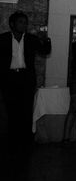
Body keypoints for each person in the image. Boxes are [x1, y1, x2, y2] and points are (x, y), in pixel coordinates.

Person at [0, 11, 51, 146]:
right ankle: (12, 140)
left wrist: (46, 39)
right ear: (12, 24)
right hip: (9, 78)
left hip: (26, 78)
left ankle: (26, 141)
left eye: (25, 23)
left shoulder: (31, 39)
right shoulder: (3, 39)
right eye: (20, 22)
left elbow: (45, 51)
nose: (24, 25)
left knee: (26, 110)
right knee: (11, 110)